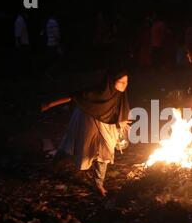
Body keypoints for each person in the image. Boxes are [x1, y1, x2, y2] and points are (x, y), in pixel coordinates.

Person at [41, 68, 131, 196]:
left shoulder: (120, 94)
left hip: (108, 125)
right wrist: (50, 104)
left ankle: (98, 183)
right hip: (88, 120)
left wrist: (121, 121)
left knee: (105, 151)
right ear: (111, 81)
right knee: (74, 144)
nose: (124, 84)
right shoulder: (97, 92)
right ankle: (54, 163)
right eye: (120, 81)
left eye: (126, 81)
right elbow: (74, 97)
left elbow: (120, 110)